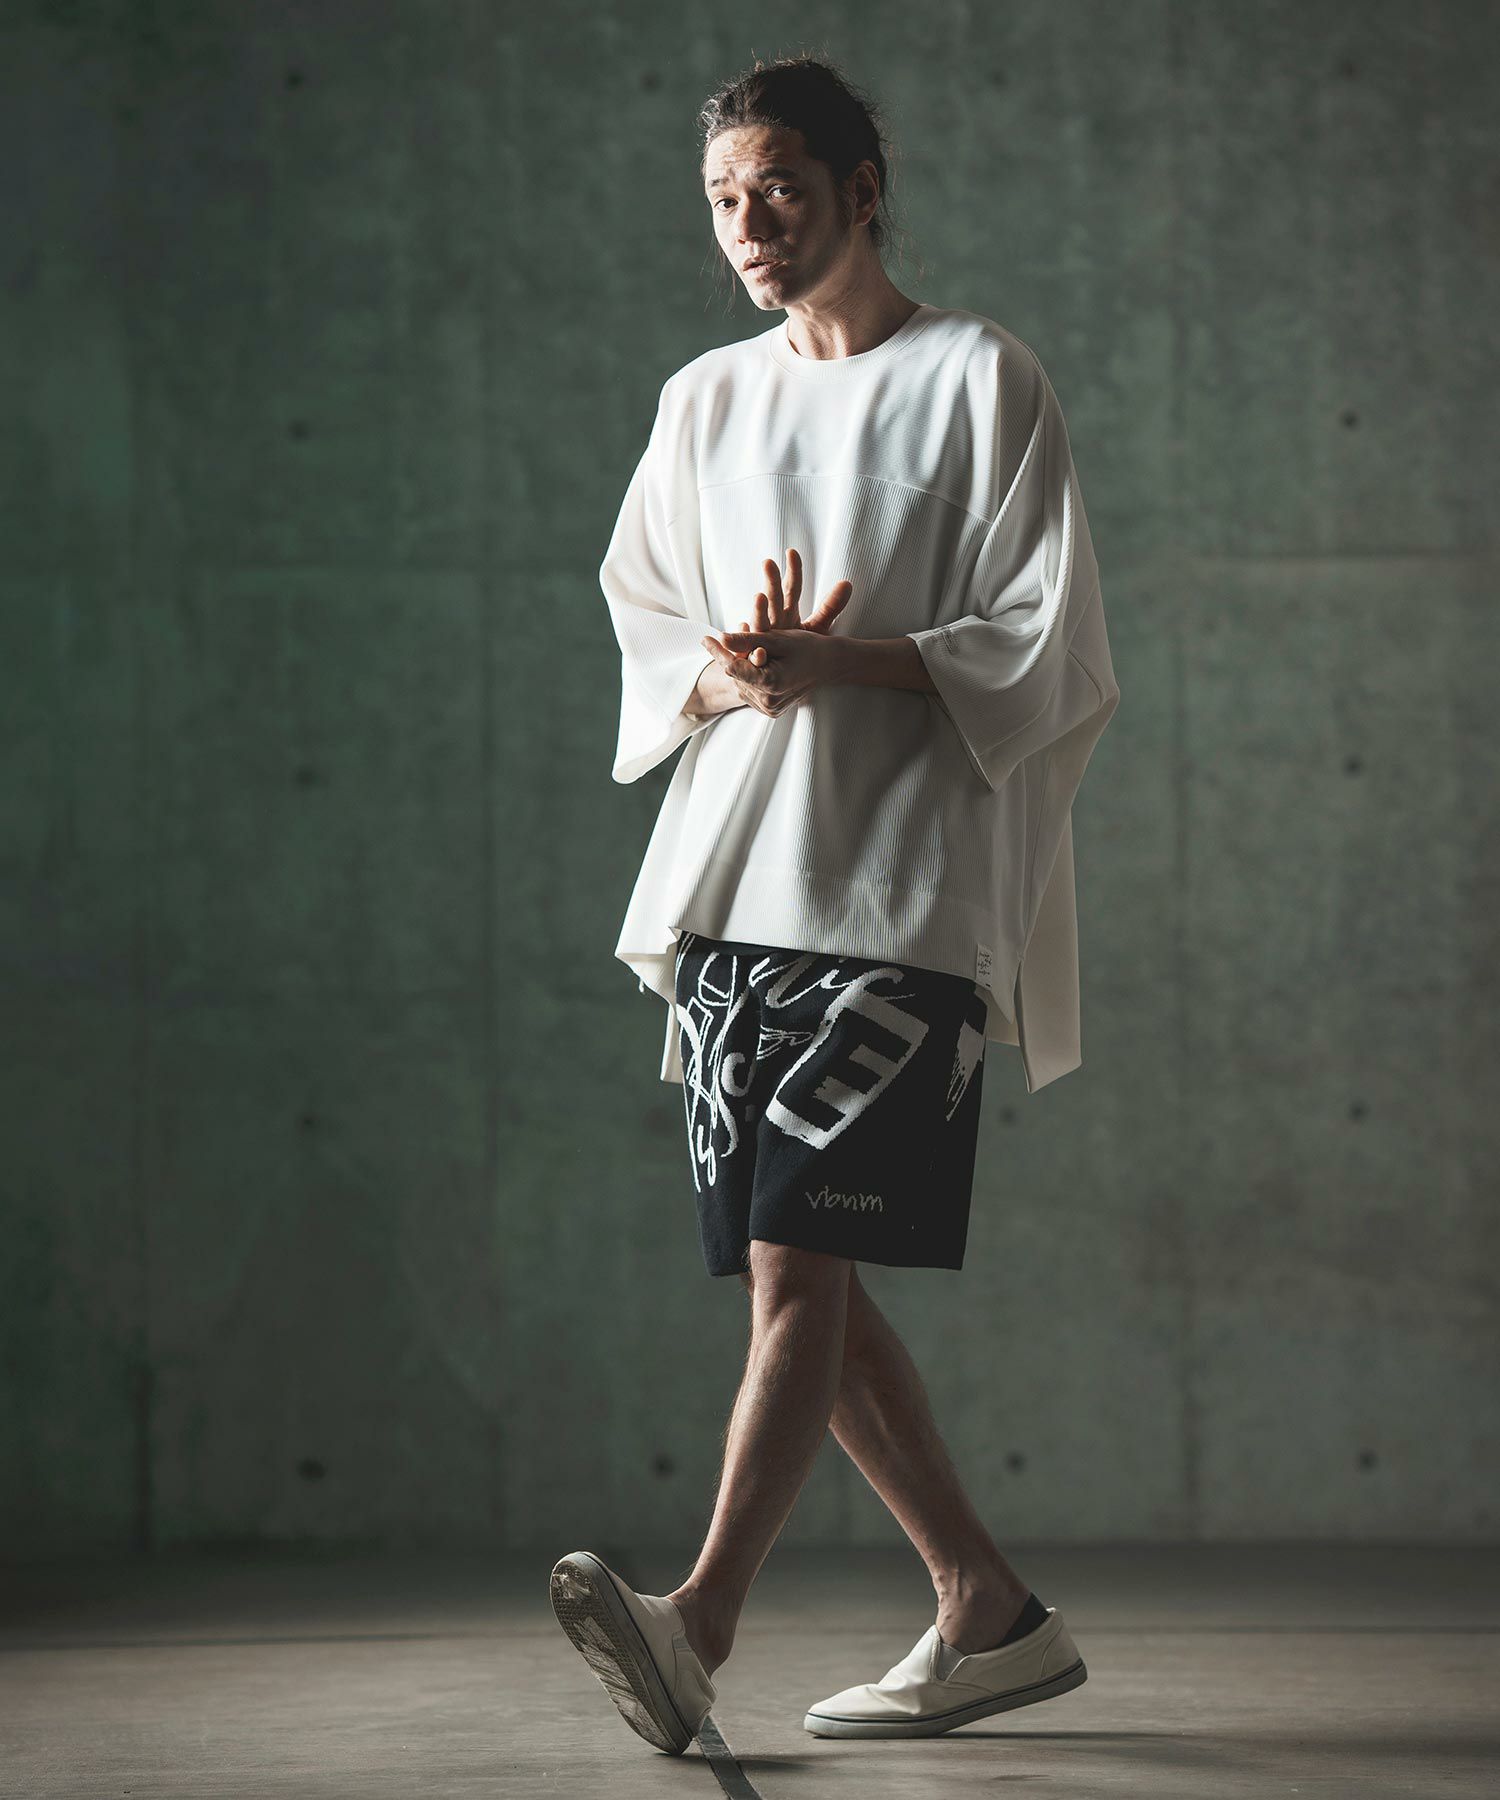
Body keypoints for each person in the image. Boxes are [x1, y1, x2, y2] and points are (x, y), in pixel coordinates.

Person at [550, 54, 1118, 1757]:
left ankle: (696, 1624)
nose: (750, 225)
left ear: (863, 190)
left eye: (782, 189)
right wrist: (732, 677)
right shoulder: (704, 401)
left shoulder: (979, 378)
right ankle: (986, 1608)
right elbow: (652, 622)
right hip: (736, 886)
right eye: (724, 199)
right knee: (796, 1274)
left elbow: (1050, 644)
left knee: (798, 1265)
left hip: (899, 893)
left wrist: (847, 658)